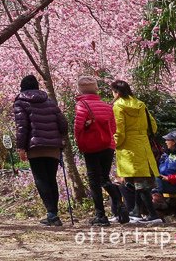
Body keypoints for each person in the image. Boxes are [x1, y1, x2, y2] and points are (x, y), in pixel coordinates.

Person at [13, 75, 68, 227]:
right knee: (51, 179)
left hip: (35, 146)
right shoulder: (49, 101)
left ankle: (51, 214)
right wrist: (61, 139)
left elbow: (22, 128)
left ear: (22, 87)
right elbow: (63, 123)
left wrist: (21, 147)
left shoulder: (20, 102)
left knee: (41, 179)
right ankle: (54, 214)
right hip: (53, 147)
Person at [74, 76, 128, 226]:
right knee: (104, 178)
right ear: (96, 88)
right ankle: (118, 199)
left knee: (94, 181)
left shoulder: (82, 105)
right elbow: (114, 128)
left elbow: (78, 128)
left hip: (91, 146)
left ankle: (101, 215)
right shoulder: (107, 106)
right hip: (107, 145)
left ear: (80, 89)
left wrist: (80, 143)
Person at [110, 80, 159, 221]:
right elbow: (153, 126)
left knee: (139, 183)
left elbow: (120, 130)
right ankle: (136, 212)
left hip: (128, 148)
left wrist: (114, 144)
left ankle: (153, 215)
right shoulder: (140, 104)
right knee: (139, 181)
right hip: (143, 146)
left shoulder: (118, 106)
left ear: (117, 92)